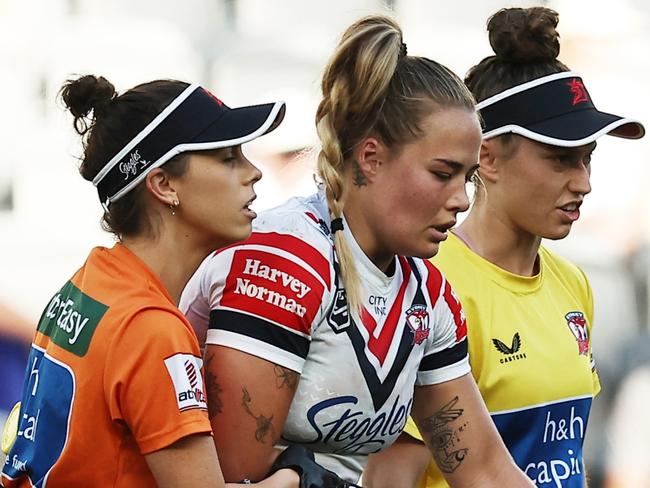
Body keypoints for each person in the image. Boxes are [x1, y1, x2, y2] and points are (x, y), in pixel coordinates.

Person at [180, 14, 534, 487]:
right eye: (442, 172)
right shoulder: (282, 265)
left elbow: (485, 471)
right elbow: (234, 478)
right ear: (371, 157)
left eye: (466, 177)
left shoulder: (427, 294)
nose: (462, 199)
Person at [362, 7, 645, 488]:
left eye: (587, 159)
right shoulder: (431, 288)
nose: (584, 183)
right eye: (560, 160)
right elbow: (389, 478)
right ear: (487, 158)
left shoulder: (572, 283)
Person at [0, 74, 301, 487]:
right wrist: (292, 477)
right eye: (229, 157)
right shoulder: (152, 329)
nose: (254, 173)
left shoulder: (89, 284)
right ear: (163, 184)